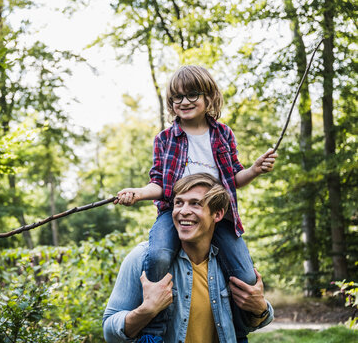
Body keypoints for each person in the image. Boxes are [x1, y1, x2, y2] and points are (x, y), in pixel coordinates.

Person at [114, 65, 277, 341]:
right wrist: (139, 193)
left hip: (216, 216)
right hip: (173, 212)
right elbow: (160, 184)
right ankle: (155, 328)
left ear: (209, 97)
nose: (184, 102)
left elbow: (234, 177)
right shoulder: (165, 139)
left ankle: (238, 330)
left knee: (247, 276)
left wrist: (256, 169)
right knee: (158, 256)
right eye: (177, 97)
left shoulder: (223, 134)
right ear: (171, 103)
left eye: (192, 94)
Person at [104, 174, 274, 343]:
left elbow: (252, 322)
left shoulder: (230, 263)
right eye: (179, 203)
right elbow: (109, 332)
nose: (183, 211)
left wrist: (261, 308)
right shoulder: (142, 258)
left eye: (195, 204)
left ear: (217, 214)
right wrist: (147, 310)